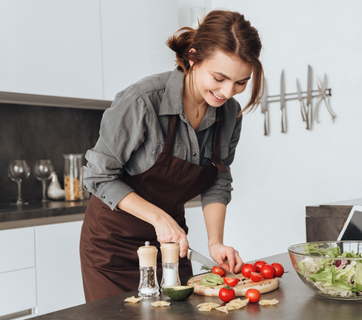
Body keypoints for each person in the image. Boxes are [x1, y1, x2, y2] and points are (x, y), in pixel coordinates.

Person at [79, 9, 264, 302]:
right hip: (112, 247)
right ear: (193, 57)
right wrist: (159, 217)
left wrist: (215, 243)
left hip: (171, 245)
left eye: (241, 82)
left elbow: (217, 180)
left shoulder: (229, 114)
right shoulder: (142, 100)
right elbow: (98, 177)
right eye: (219, 77)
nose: (228, 92)